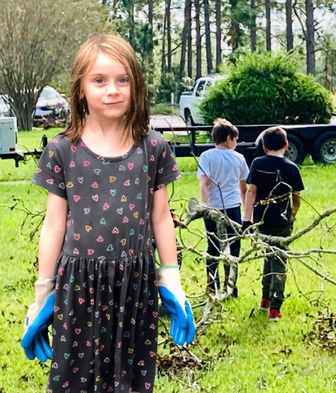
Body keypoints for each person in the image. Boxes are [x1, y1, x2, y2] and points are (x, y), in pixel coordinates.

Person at [21, 34, 195, 392]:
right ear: (80, 88)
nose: (112, 89)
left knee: (130, 381)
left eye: (122, 79)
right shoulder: (62, 150)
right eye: (99, 80)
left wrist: (172, 280)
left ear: (135, 84)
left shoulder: (154, 147)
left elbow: (160, 218)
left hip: (137, 282)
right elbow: (53, 225)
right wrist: (44, 291)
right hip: (78, 283)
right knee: (75, 379)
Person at [243, 127, 304, 321]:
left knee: (268, 257)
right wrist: (293, 215)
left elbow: (251, 192)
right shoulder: (292, 167)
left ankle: (265, 299)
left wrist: (247, 219)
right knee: (279, 260)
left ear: (264, 146)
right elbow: (296, 197)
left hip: (262, 218)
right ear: (286, 145)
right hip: (283, 220)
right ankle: (275, 308)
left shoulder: (257, 163)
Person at [197, 119, 249, 297]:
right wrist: (246, 213)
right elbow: (244, 188)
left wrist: (204, 207)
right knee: (233, 248)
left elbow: (204, 184)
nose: (236, 143)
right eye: (235, 139)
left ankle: (212, 285)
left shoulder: (206, 156)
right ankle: (231, 286)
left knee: (213, 247)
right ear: (229, 138)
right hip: (233, 207)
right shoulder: (239, 158)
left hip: (212, 208)